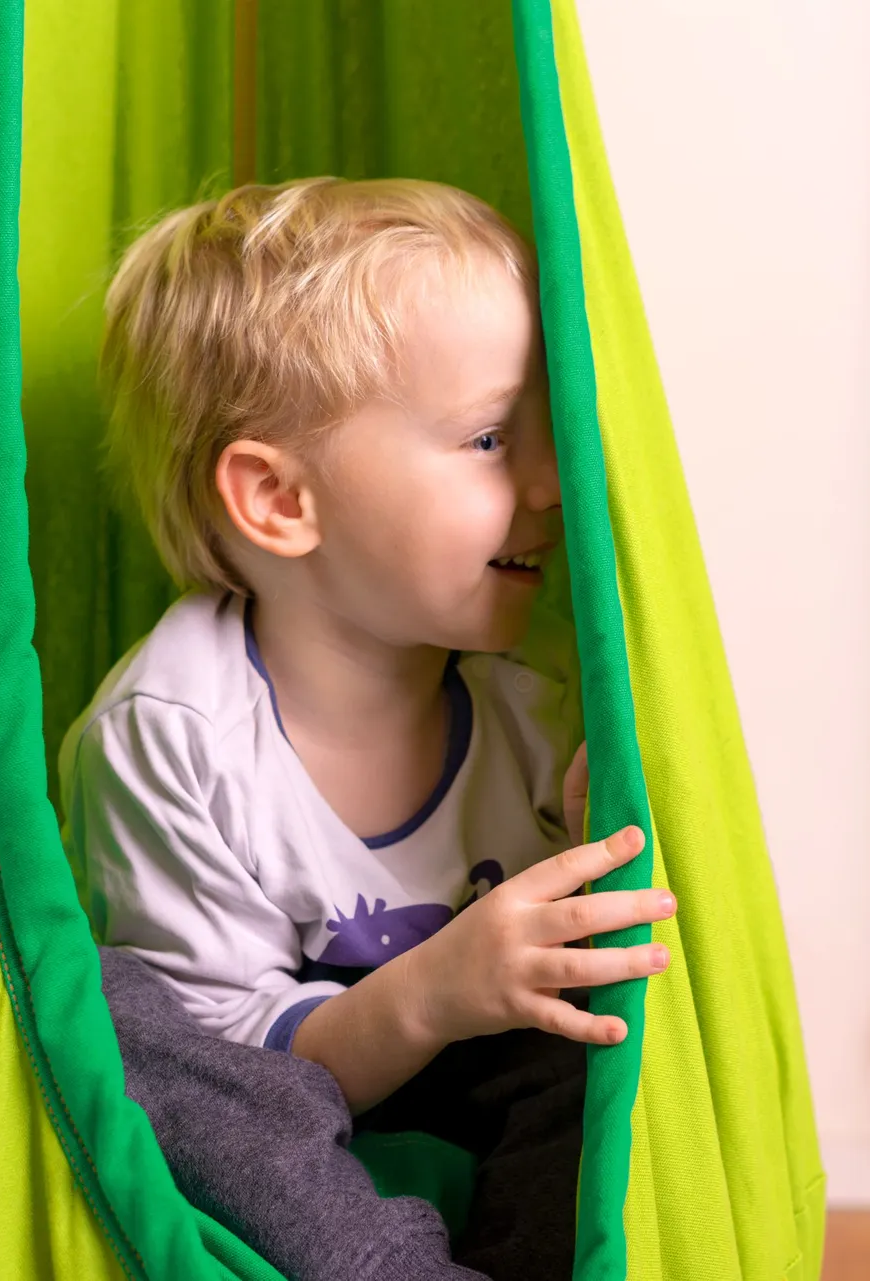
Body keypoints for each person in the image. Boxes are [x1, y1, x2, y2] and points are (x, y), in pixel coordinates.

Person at [60, 176, 675, 1277]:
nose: (548, 484)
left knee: (604, 1022)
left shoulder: (534, 703)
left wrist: (594, 855)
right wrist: (433, 990)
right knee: (118, 1025)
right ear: (280, 501)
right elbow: (224, 1083)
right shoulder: (170, 736)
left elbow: (557, 984)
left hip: (473, 1086)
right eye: (491, 439)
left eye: (544, 435)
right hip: (280, 1117)